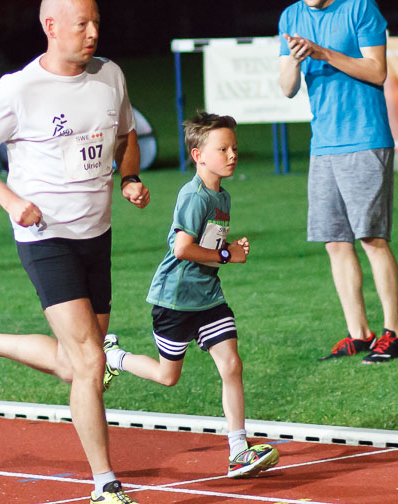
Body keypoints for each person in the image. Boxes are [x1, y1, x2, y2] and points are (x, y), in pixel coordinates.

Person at [0, 0, 150, 504]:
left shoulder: (110, 76)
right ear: (51, 27)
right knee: (90, 364)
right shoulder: (18, 89)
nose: (94, 32)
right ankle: (105, 483)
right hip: (44, 236)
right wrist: (12, 202)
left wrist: (128, 179)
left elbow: (126, 135)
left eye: (97, 22)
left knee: (75, 363)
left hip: (95, 235)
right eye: (82, 24)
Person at [103, 112, 279, 478]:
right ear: (198, 155)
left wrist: (228, 248)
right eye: (222, 149)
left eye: (234, 148)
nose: (232, 155)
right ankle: (114, 357)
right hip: (175, 299)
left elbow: (207, 244)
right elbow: (183, 249)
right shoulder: (194, 196)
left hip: (209, 298)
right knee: (169, 377)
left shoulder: (222, 196)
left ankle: (237, 450)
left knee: (231, 365)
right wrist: (228, 254)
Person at [277, 0, 398, 364]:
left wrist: (322, 52)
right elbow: (287, 88)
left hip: (365, 138)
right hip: (324, 144)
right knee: (335, 241)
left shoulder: (360, 7)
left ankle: (396, 333)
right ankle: (359, 333)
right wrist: (296, 60)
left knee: (371, 237)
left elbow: (376, 71)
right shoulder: (290, 17)